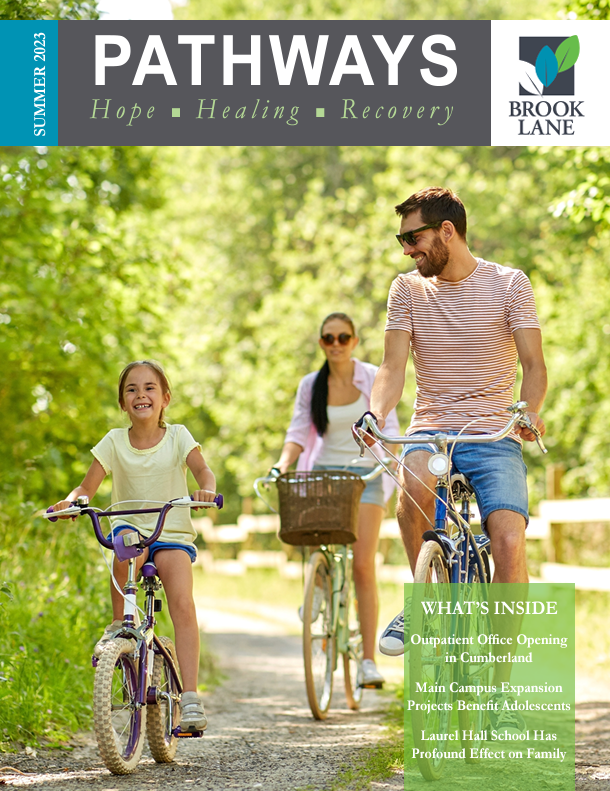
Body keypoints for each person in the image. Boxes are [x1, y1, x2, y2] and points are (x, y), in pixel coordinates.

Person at [367, 187, 547, 730]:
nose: (405, 250)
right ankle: (426, 600)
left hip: (496, 432)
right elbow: (393, 368)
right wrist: (377, 416)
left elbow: (534, 365)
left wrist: (527, 412)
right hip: (433, 427)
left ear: (447, 231)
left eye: (413, 237)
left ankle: (499, 691)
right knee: (413, 489)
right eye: (402, 239)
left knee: (509, 539)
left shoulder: (510, 283)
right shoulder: (406, 290)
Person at [50, 359, 215, 733]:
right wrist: (72, 502)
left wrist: (206, 487)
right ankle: (120, 628)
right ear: (123, 403)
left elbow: (202, 470)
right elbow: (85, 488)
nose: (141, 394)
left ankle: (190, 696)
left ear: (165, 398)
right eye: (131, 389)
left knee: (182, 602)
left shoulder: (178, 437)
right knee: (123, 551)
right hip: (130, 528)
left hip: (170, 531)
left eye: (149, 388)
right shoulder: (112, 441)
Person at [274, 313, 400, 689]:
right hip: (324, 474)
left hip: (366, 477)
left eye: (343, 337)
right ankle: (317, 590)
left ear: (354, 341)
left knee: (363, 565)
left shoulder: (373, 377)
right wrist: (283, 464)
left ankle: (367, 662)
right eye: (329, 338)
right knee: (316, 544)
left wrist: (389, 456)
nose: (336, 344)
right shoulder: (312, 385)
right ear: (321, 344)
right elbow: (298, 430)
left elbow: (390, 429)